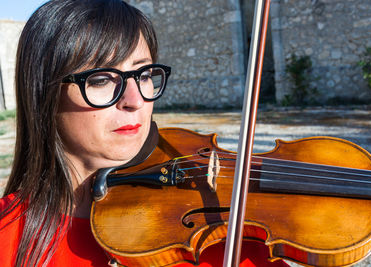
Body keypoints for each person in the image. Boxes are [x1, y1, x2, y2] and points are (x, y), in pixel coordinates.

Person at [0, 0, 290, 266]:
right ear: (44, 94)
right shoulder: (6, 239)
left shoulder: (219, 235)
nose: (135, 100)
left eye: (144, 75)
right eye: (101, 79)